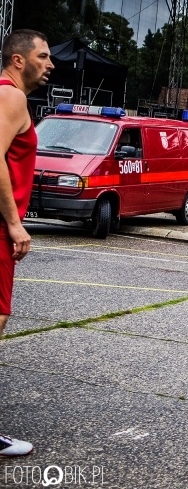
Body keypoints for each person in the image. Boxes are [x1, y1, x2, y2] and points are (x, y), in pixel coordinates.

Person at [0, 29, 54, 457]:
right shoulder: (11, 96)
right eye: (43, 56)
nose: (50, 64)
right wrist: (15, 224)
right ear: (18, 60)